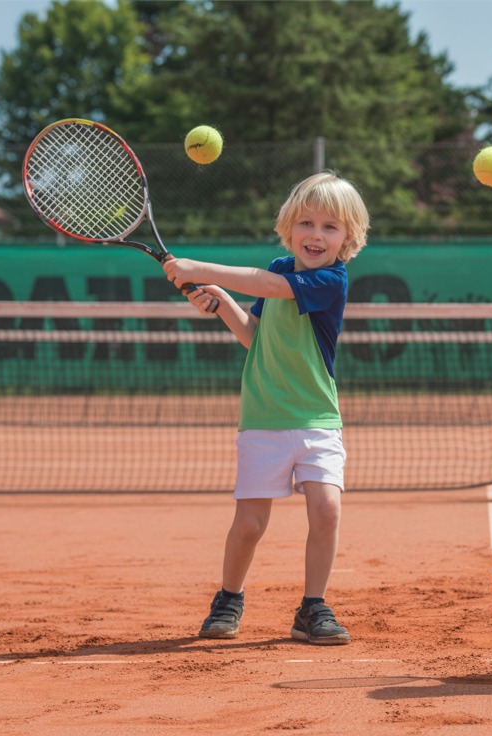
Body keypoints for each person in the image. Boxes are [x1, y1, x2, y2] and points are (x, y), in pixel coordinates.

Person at [163, 171, 369, 646]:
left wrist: (199, 269)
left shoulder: (330, 279)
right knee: (250, 525)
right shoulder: (279, 267)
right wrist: (222, 302)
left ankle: (313, 608)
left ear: (348, 238)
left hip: (317, 419)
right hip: (262, 419)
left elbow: (273, 286)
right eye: (306, 222)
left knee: (328, 510)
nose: (316, 235)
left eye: (330, 227)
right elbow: (254, 336)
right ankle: (228, 598)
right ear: (288, 226)